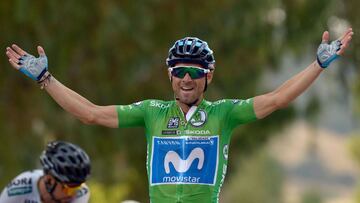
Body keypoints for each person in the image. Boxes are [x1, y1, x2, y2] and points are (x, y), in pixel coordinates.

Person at [5, 28, 353, 203]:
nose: (187, 78)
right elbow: (91, 115)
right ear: (169, 75)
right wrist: (45, 79)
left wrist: (319, 65)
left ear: (209, 76)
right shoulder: (150, 112)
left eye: (195, 71)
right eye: (180, 70)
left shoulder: (225, 113)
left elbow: (277, 99)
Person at [0, 141, 91, 203]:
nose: (74, 194)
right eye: (69, 189)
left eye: (77, 187)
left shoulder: (82, 193)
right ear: (49, 179)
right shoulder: (18, 189)